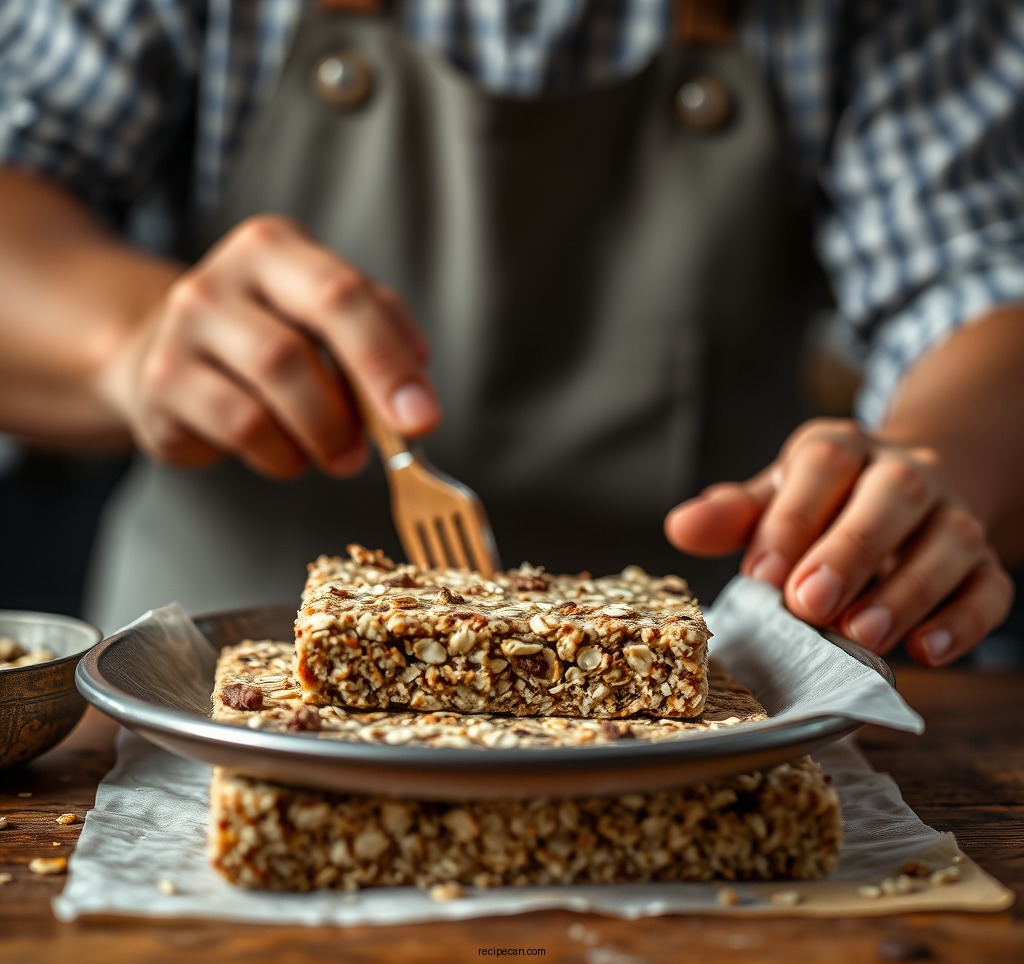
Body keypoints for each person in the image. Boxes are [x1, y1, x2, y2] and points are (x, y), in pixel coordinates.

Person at [0, 0, 1021, 669]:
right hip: (199, 691)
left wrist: (924, 476)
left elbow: (977, 287)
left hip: (732, 668)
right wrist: (131, 344)